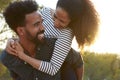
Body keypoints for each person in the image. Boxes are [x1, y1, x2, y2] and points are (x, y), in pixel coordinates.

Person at [5, 0, 99, 79]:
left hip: (63, 68)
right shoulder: (45, 12)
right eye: (55, 16)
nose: (56, 23)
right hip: (40, 59)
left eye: (62, 21)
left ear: (71, 22)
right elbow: (29, 30)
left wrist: (23, 56)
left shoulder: (67, 33)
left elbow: (52, 68)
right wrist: (12, 41)